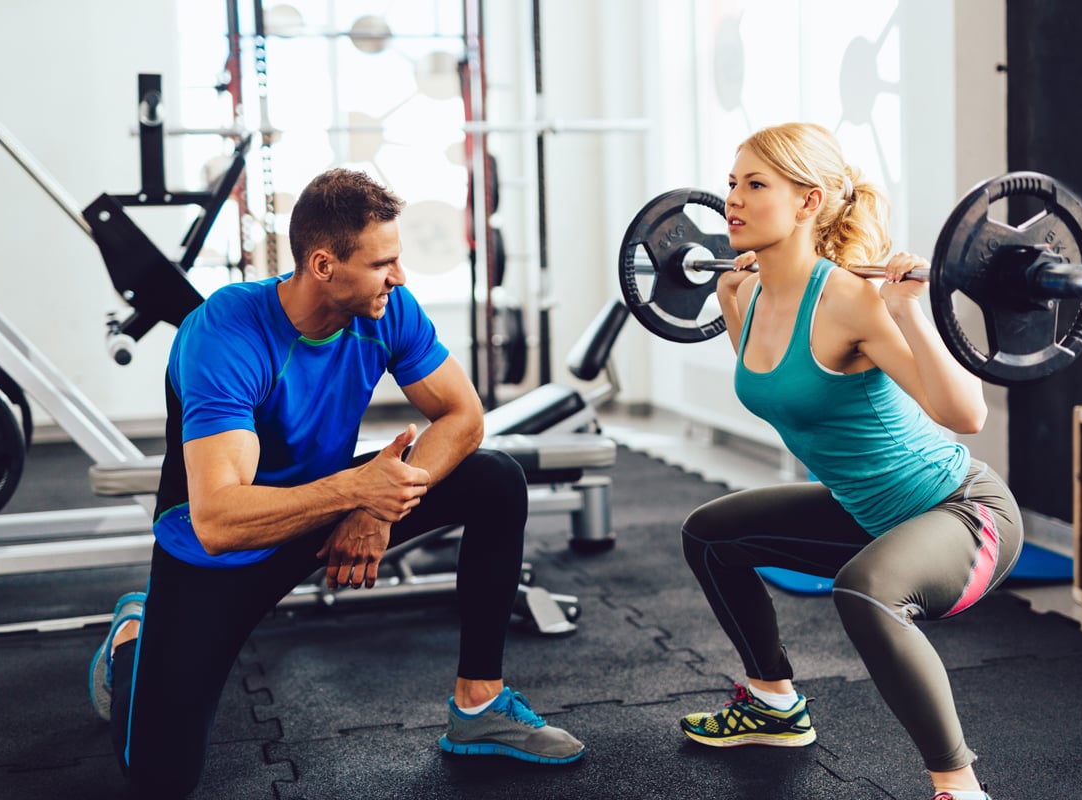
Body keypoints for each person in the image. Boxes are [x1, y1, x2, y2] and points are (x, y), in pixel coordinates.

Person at [87, 168, 585, 799]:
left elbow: (464, 416)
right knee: (161, 781)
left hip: (323, 505)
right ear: (323, 265)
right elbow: (219, 521)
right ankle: (136, 630)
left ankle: (479, 706)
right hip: (217, 551)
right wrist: (358, 492)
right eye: (383, 264)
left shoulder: (387, 309)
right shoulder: (225, 333)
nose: (398, 277)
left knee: (494, 479)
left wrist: (377, 510)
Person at [676, 122, 1021, 800]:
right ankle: (773, 705)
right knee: (710, 537)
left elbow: (967, 417)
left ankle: (959, 787)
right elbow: (776, 389)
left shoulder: (850, 301)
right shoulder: (743, 294)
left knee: (864, 589)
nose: (732, 201)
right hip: (869, 514)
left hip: (962, 513)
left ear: (809, 202)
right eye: (731, 184)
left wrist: (913, 315)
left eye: (755, 185)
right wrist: (725, 300)